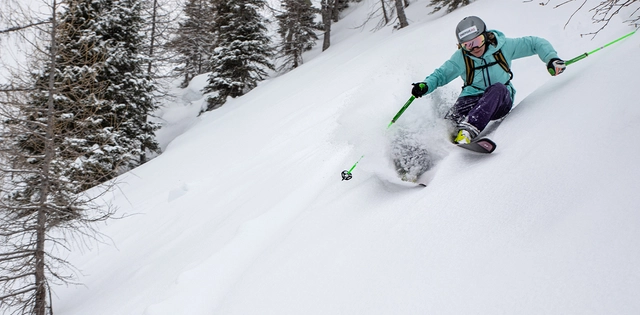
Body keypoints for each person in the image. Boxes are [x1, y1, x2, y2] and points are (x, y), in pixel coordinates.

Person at [411, 16, 566, 144]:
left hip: (500, 99)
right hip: (472, 98)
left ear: (485, 36)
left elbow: (534, 43)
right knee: (448, 123)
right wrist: (425, 86)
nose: (474, 48)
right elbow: (441, 74)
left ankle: (468, 130)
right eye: (468, 45)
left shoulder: (504, 47)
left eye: (477, 41)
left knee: (497, 88)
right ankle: (423, 155)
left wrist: (551, 59)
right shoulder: (461, 58)